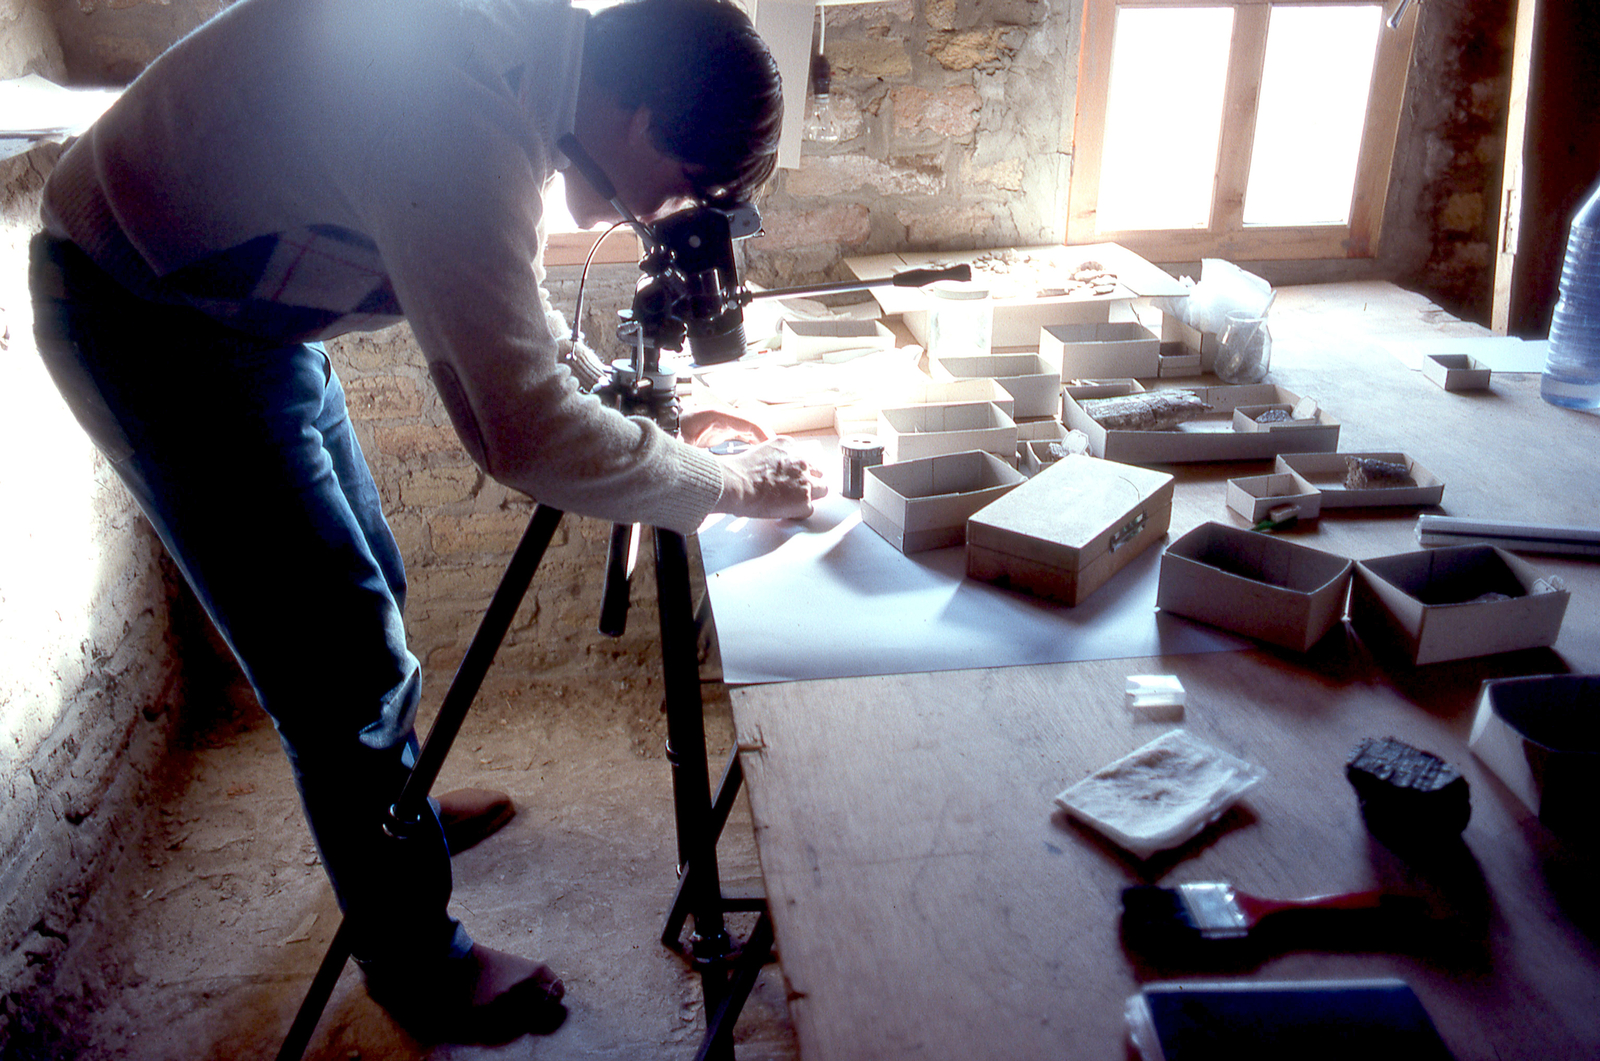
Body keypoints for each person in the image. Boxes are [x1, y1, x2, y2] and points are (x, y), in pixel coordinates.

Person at [28, 0, 823, 1044]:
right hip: (148, 323)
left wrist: (627, 403)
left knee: (373, 591)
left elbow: (498, 283)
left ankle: (389, 818)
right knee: (340, 665)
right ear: (638, 116)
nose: (667, 209)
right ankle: (417, 963)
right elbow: (523, 432)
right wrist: (720, 484)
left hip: (247, 320)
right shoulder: (461, 104)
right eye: (684, 182)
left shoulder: (517, 72)